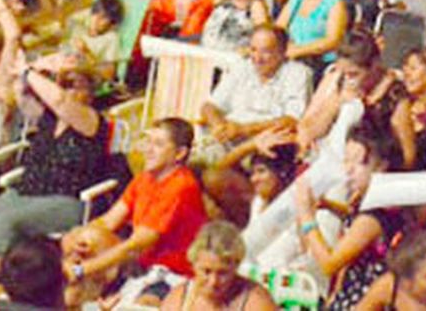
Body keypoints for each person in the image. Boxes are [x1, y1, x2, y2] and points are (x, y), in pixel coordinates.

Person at [0, 59, 107, 290]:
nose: (65, 89)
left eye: (73, 84)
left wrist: (28, 71)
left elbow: (60, 101)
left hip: (66, 200)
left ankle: (6, 292)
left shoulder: (90, 120)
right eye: (62, 83)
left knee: (5, 223)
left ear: (89, 92)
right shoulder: (47, 118)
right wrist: (36, 67)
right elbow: (18, 89)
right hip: (24, 193)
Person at [61, 117, 208, 304]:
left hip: (170, 274)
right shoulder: (145, 178)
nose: (148, 150)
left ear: (179, 153)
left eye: (158, 144)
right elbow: (107, 222)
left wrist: (82, 270)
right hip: (139, 266)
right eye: (148, 142)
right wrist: (75, 241)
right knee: (87, 241)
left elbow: (137, 244)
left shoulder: (181, 186)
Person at [199, 25, 312, 224]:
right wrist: (219, 126)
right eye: (253, 49)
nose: (257, 58)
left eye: (266, 52)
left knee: (211, 178)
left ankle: (252, 226)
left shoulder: (298, 73)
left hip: (265, 144)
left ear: (283, 52)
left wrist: (243, 129)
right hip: (229, 137)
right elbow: (209, 106)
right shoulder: (241, 68)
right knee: (193, 174)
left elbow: (292, 120)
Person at [295, 125, 401, 310]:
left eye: (358, 162)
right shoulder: (382, 202)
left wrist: (306, 216)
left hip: (359, 300)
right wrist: (329, 205)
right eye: (346, 160)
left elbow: (329, 264)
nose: (348, 169)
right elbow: (354, 222)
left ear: (382, 166)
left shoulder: (372, 218)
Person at [159, 221, 276, 311]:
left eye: (222, 273)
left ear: (235, 267)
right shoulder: (178, 301)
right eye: (206, 272)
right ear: (194, 265)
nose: (213, 281)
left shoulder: (255, 302)